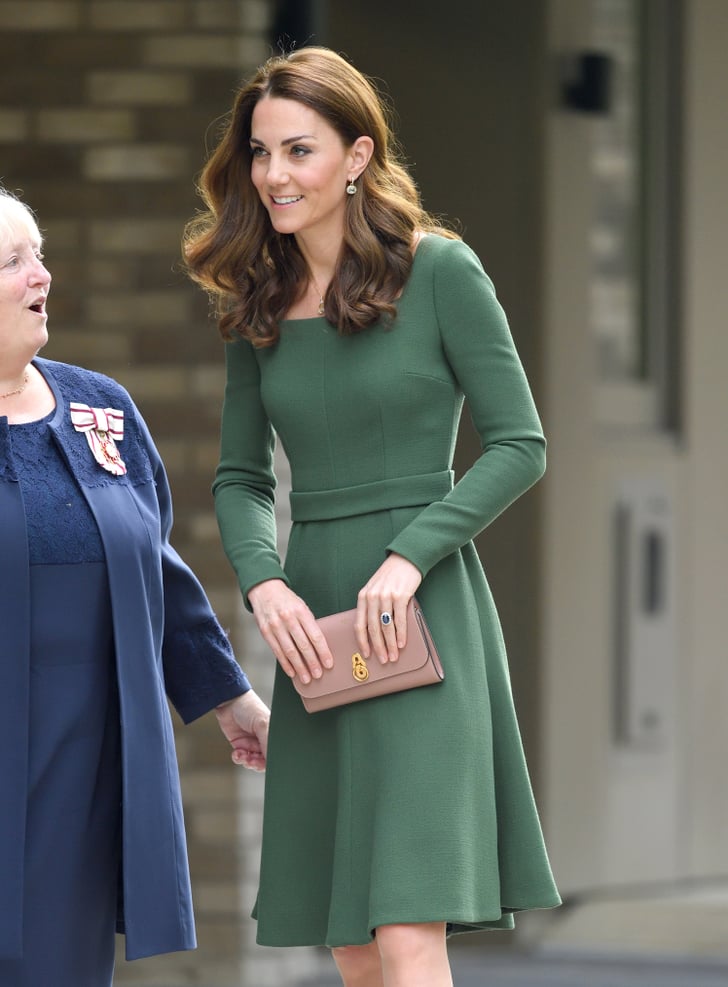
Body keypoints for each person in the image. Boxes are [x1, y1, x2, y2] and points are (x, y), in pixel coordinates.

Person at [182, 46, 561, 987]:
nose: (273, 174)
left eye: (299, 150)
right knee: (350, 940)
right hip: (317, 626)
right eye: (261, 152)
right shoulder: (255, 304)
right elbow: (239, 477)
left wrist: (409, 554)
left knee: (404, 928)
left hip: (420, 614)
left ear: (356, 157)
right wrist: (263, 582)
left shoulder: (442, 272)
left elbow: (521, 443)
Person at [0, 185, 271, 987]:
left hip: (81, 771)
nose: (40, 276)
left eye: (38, 254)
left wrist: (231, 695)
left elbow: (155, 566)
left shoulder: (100, 408)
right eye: (13, 262)